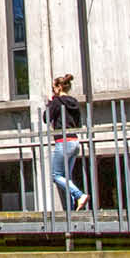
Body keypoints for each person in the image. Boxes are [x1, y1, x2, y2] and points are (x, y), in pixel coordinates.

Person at [44, 74, 88, 212]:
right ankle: (72, 206)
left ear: (59, 87)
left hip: (63, 141)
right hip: (74, 141)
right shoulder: (74, 101)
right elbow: (79, 124)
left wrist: (51, 102)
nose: (53, 91)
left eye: (53, 88)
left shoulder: (57, 102)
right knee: (66, 177)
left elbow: (46, 118)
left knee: (56, 176)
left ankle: (80, 195)